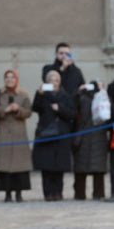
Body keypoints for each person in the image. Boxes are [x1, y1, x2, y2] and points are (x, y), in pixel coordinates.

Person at [0, 70, 33, 202]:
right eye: (7, 77)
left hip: (19, 132)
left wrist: (18, 110)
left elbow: (29, 111)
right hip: (3, 132)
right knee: (4, 166)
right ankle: (7, 194)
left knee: (20, 166)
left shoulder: (23, 95)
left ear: (16, 79)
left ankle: (19, 194)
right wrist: (5, 110)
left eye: (12, 77)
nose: (10, 80)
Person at [32, 70, 76, 201]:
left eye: (56, 80)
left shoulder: (66, 96)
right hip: (46, 134)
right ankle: (48, 193)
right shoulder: (42, 95)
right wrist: (39, 95)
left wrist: (59, 108)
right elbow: (35, 108)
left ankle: (58, 192)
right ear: (46, 82)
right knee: (46, 166)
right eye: (51, 80)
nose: (54, 82)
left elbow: (72, 114)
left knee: (59, 166)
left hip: (61, 135)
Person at [72, 82, 110, 200]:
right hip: (85, 135)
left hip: (95, 136)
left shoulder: (103, 98)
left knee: (96, 168)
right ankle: (81, 194)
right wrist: (78, 91)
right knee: (81, 168)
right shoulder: (81, 97)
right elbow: (72, 108)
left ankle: (96, 194)